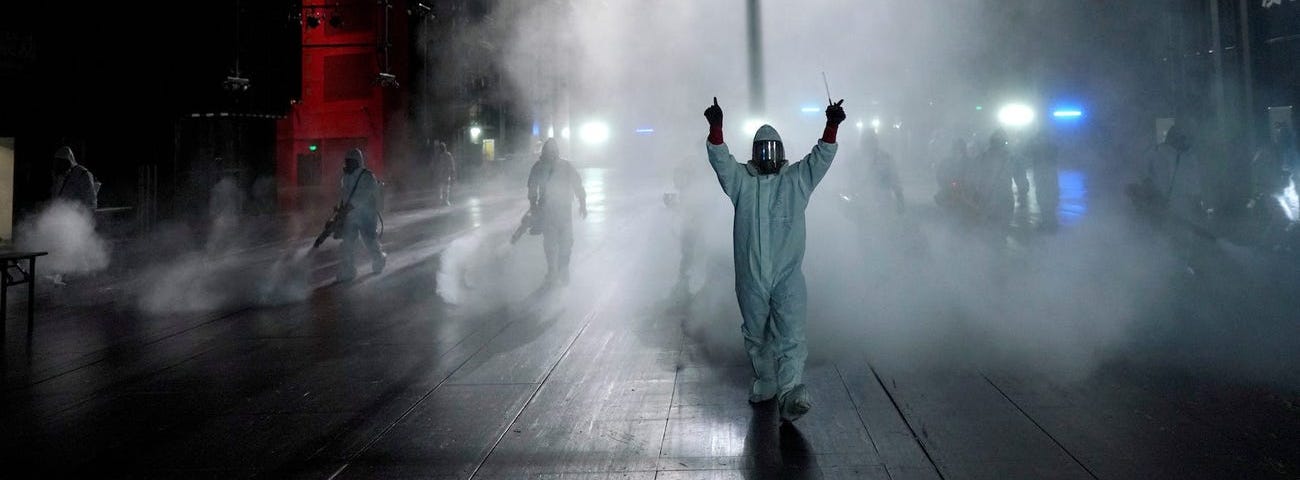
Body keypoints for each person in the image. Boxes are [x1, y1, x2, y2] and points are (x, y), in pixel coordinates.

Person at [703, 96, 843, 422]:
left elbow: (819, 158)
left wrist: (832, 125)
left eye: (772, 149)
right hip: (750, 275)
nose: (768, 155)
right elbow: (721, 160)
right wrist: (716, 129)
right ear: (755, 152)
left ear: (781, 152)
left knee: (791, 332)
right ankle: (766, 380)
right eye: (762, 149)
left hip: (787, 273)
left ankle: (790, 391)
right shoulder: (741, 182)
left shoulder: (796, 180)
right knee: (756, 333)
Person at [527, 138, 587, 286]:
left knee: (564, 242)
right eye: (550, 151)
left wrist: (583, 203)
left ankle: (561, 268)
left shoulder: (563, 166)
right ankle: (554, 270)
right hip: (549, 211)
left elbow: (577, 185)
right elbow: (532, 188)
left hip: (562, 210)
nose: (551, 154)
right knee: (552, 243)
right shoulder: (542, 167)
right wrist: (533, 205)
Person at [336, 148, 386, 282]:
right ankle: (349, 270)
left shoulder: (367, 176)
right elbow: (345, 195)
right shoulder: (346, 177)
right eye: (347, 161)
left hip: (366, 215)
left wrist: (349, 207)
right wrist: (341, 208)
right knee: (348, 243)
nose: (348, 164)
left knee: (369, 240)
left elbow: (363, 196)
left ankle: (379, 259)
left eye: (351, 162)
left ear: (358, 162)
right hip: (351, 215)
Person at [861, 130, 905, 214]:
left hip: (883, 202)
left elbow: (895, 181)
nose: (868, 145)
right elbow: (852, 180)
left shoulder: (885, 158)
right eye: (866, 142)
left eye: (871, 141)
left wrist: (900, 201)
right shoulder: (857, 159)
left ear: (875, 142)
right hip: (864, 203)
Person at [1025, 130, 1060, 231]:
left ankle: (1050, 223)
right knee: (1046, 198)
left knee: (1047, 198)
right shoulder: (1049, 147)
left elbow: (1028, 151)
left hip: (1045, 175)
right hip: (1044, 175)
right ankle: (1050, 222)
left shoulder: (1042, 148)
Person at [51, 146, 97, 211]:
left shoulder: (82, 174)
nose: (59, 165)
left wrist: (82, 214)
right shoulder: (60, 177)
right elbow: (57, 198)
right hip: (62, 215)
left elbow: (91, 201)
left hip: (77, 215)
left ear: (68, 161)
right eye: (57, 162)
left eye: (61, 162)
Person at [434, 141, 457, 207]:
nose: (441, 149)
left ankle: (445, 201)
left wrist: (452, 172)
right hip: (440, 174)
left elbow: (452, 164)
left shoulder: (448, 155)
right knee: (440, 188)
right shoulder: (438, 156)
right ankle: (440, 201)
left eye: (442, 148)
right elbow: (435, 164)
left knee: (446, 188)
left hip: (446, 174)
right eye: (441, 148)